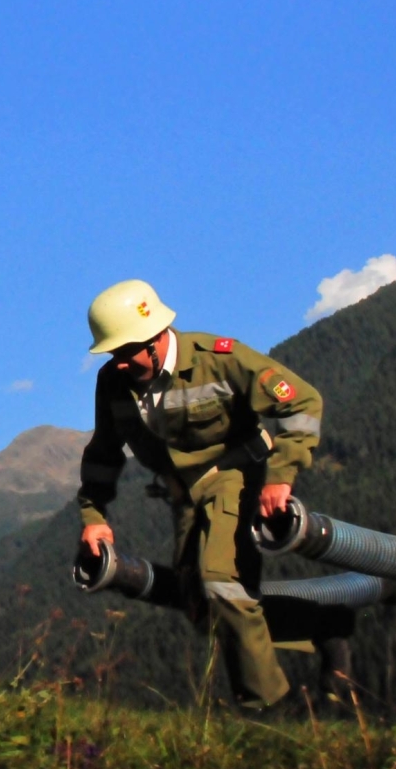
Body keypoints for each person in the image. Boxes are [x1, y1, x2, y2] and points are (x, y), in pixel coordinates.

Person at [77, 279, 323, 708]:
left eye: (125, 351)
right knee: (201, 609)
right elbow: (103, 452)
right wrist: (93, 516)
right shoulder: (114, 381)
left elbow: (301, 402)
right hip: (184, 493)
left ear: (156, 337)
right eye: (111, 353)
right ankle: (316, 632)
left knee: (222, 583)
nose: (118, 363)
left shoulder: (220, 358)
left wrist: (281, 477)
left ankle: (267, 711)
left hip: (236, 474)